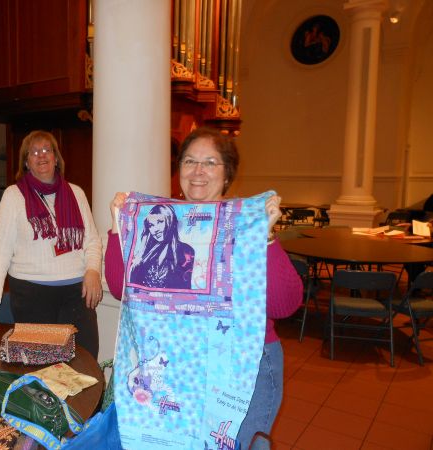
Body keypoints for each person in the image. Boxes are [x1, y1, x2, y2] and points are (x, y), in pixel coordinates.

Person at [105, 127, 302, 449]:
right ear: (179, 169)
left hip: (245, 363)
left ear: (227, 174)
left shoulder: (244, 223)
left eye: (210, 162)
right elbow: (119, 287)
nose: (198, 171)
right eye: (190, 161)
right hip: (181, 360)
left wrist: (266, 236)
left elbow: (285, 305)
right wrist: (117, 224)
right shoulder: (159, 222)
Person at [0, 130, 103, 359]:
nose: (41, 155)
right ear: (26, 162)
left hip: (76, 295)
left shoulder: (77, 193)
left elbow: (92, 241)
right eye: (34, 152)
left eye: (47, 150)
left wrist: (93, 270)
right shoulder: (13, 196)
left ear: (56, 158)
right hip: (32, 297)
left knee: (86, 361)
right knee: (42, 365)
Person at [129, 204, 195, 289]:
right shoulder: (145, 253)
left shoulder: (185, 250)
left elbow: (185, 289)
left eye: (160, 222)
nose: (155, 229)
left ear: (170, 222)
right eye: (151, 225)